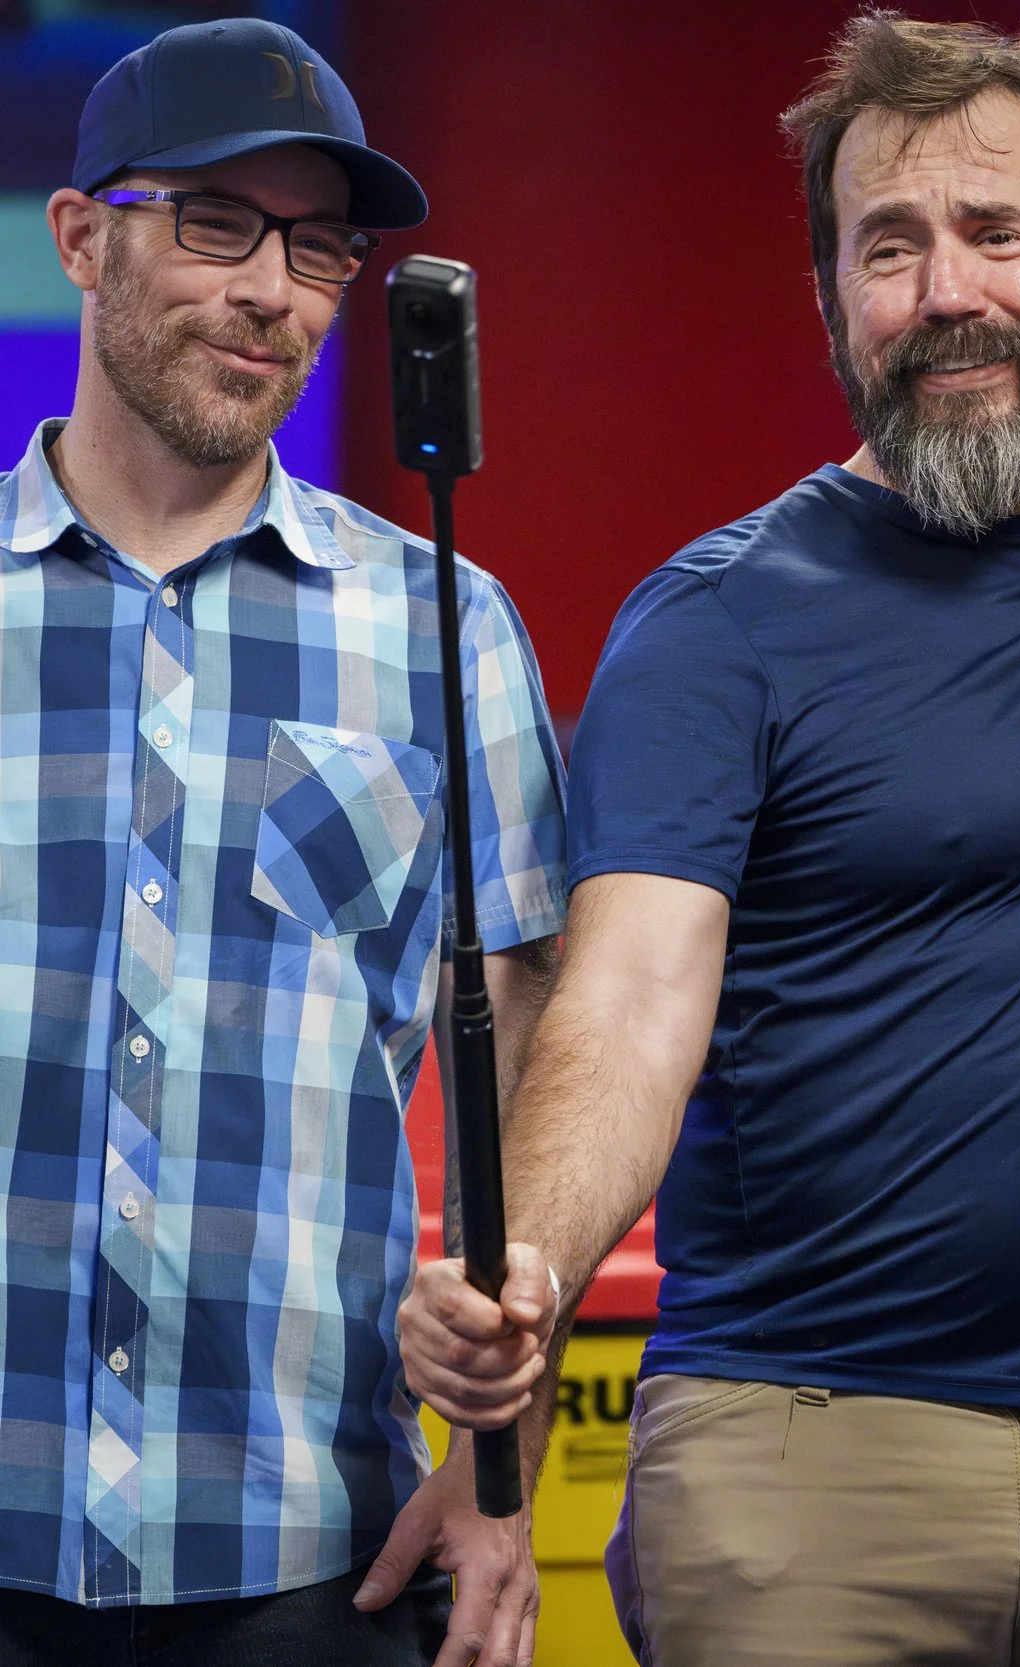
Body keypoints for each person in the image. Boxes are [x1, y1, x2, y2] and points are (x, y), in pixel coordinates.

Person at [393, 13, 1020, 1665]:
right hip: (803, 1459)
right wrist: (523, 1260)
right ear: (832, 306)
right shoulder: (718, 621)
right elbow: (629, 1005)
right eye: (890, 245)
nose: (948, 290)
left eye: (996, 233)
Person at [0, 18, 568, 1667]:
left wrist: (495, 1460)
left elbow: (529, 1032)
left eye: (320, 246)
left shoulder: (442, 627)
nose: (277, 290)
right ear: (82, 236)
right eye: (218, 223)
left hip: (311, 1547)